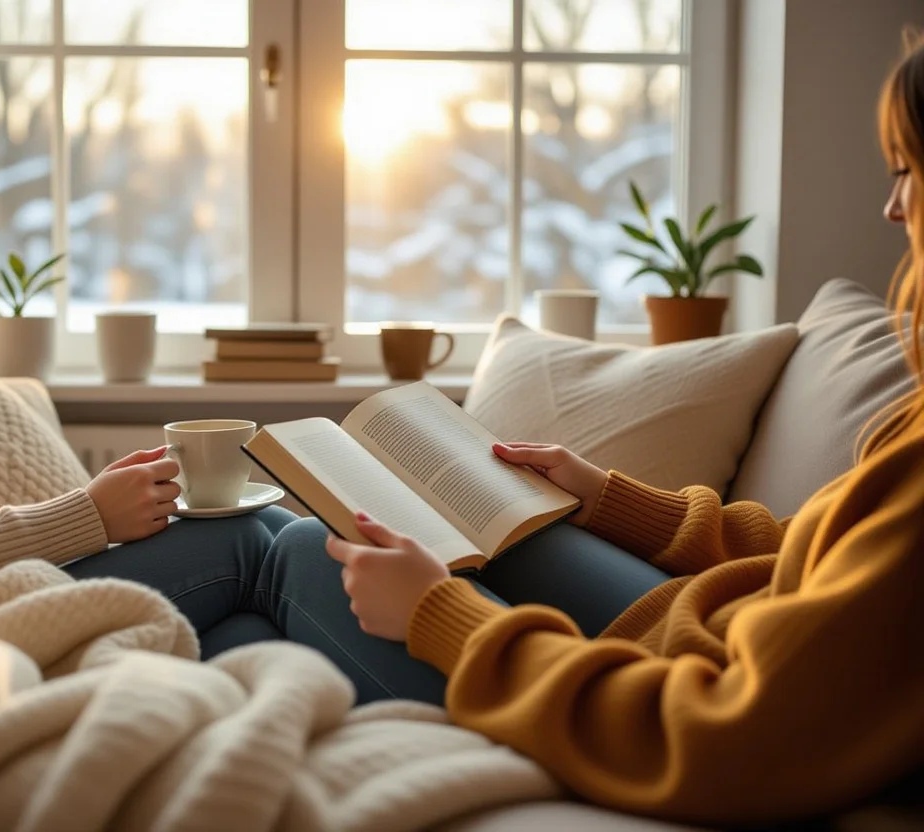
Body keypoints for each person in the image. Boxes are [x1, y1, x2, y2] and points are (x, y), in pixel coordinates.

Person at [246, 33, 924, 827]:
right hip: (688, 625)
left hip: (660, 691)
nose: (891, 205)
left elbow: (730, 736)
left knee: (293, 551)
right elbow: (824, 555)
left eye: (907, 169)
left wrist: (439, 613)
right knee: (302, 548)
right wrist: (611, 499)